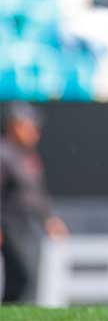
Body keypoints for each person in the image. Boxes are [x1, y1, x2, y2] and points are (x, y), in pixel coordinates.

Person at [0, 103, 69, 303]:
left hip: (26, 224)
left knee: (27, 275)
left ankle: (13, 311)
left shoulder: (27, 155)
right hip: (10, 223)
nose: (34, 132)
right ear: (14, 126)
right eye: (29, 126)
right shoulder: (4, 154)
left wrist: (48, 218)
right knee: (23, 274)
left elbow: (35, 193)